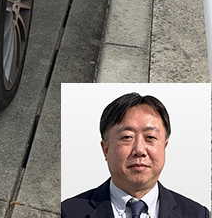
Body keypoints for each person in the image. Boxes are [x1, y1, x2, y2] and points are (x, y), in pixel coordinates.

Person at [61, 92, 210, 218]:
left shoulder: (196, 214)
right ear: (106, 149)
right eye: (127, 137)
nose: (139, 150)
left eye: (150, 137)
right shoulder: (67, 212)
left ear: (164, 147)